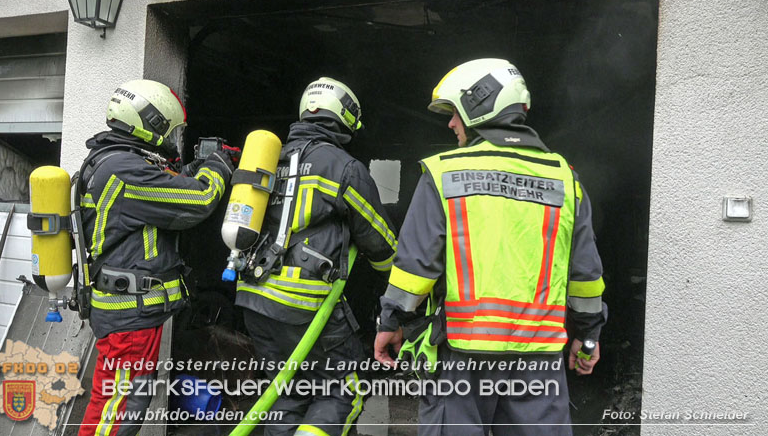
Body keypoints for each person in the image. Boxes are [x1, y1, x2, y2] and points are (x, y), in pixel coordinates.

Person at [373, 58, 608, 436]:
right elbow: (585, 276)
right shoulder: (565, 178)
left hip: (462, 354)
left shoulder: (443, 173)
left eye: (454, 113)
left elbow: (415, 269)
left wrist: (390, 321)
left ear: (478, 105)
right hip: (539, 357)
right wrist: (589, 333)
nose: (451, 124)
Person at [235, 77, 397, 436]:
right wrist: (392, 288)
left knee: (287, 390)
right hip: (306, 308)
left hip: (254, 301)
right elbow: (382, 242)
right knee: (345, 388)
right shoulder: (343, 167)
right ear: (345, 117)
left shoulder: (267, 158)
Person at [77, 79, 234, 435]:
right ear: (153, 123)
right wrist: (218, 166)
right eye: (172, 130)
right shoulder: (123, 169)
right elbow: (198, 201)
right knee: (118, 409)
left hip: (128, 310)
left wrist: (192, 170)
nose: (173, 138)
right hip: (128, 315)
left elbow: (166, 190)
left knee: (121, 403)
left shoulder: (116, 161)